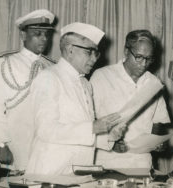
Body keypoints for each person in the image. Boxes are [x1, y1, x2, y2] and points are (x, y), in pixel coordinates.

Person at [26, 22, 122, 175]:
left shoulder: (85, 83)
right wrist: (93, 127)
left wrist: (109, 136)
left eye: (96, 53)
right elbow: (46, 130)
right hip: (51, 173)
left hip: (78, 172)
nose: (94, 58)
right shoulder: (49, 78)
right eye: (89, 52)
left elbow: (82, 135)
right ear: (70, 50)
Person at [0, 9, 56, 171]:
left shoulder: (52, 66)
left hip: (46, 145)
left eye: (46, 34)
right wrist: (2, 144)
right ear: (23, 36)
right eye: (37, 34)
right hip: (17, 144)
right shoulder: (7, 63)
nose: (44, 39)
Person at [90, 30, 171, 169]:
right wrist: (109, 141)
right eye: (139, 57)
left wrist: (158, 142)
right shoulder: (101, 77)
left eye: (149, 58)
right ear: (126, 51)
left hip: (142, 164)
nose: (144, 64)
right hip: (106, 162)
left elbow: (158, 122)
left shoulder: (153, 83)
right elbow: (87, 121)